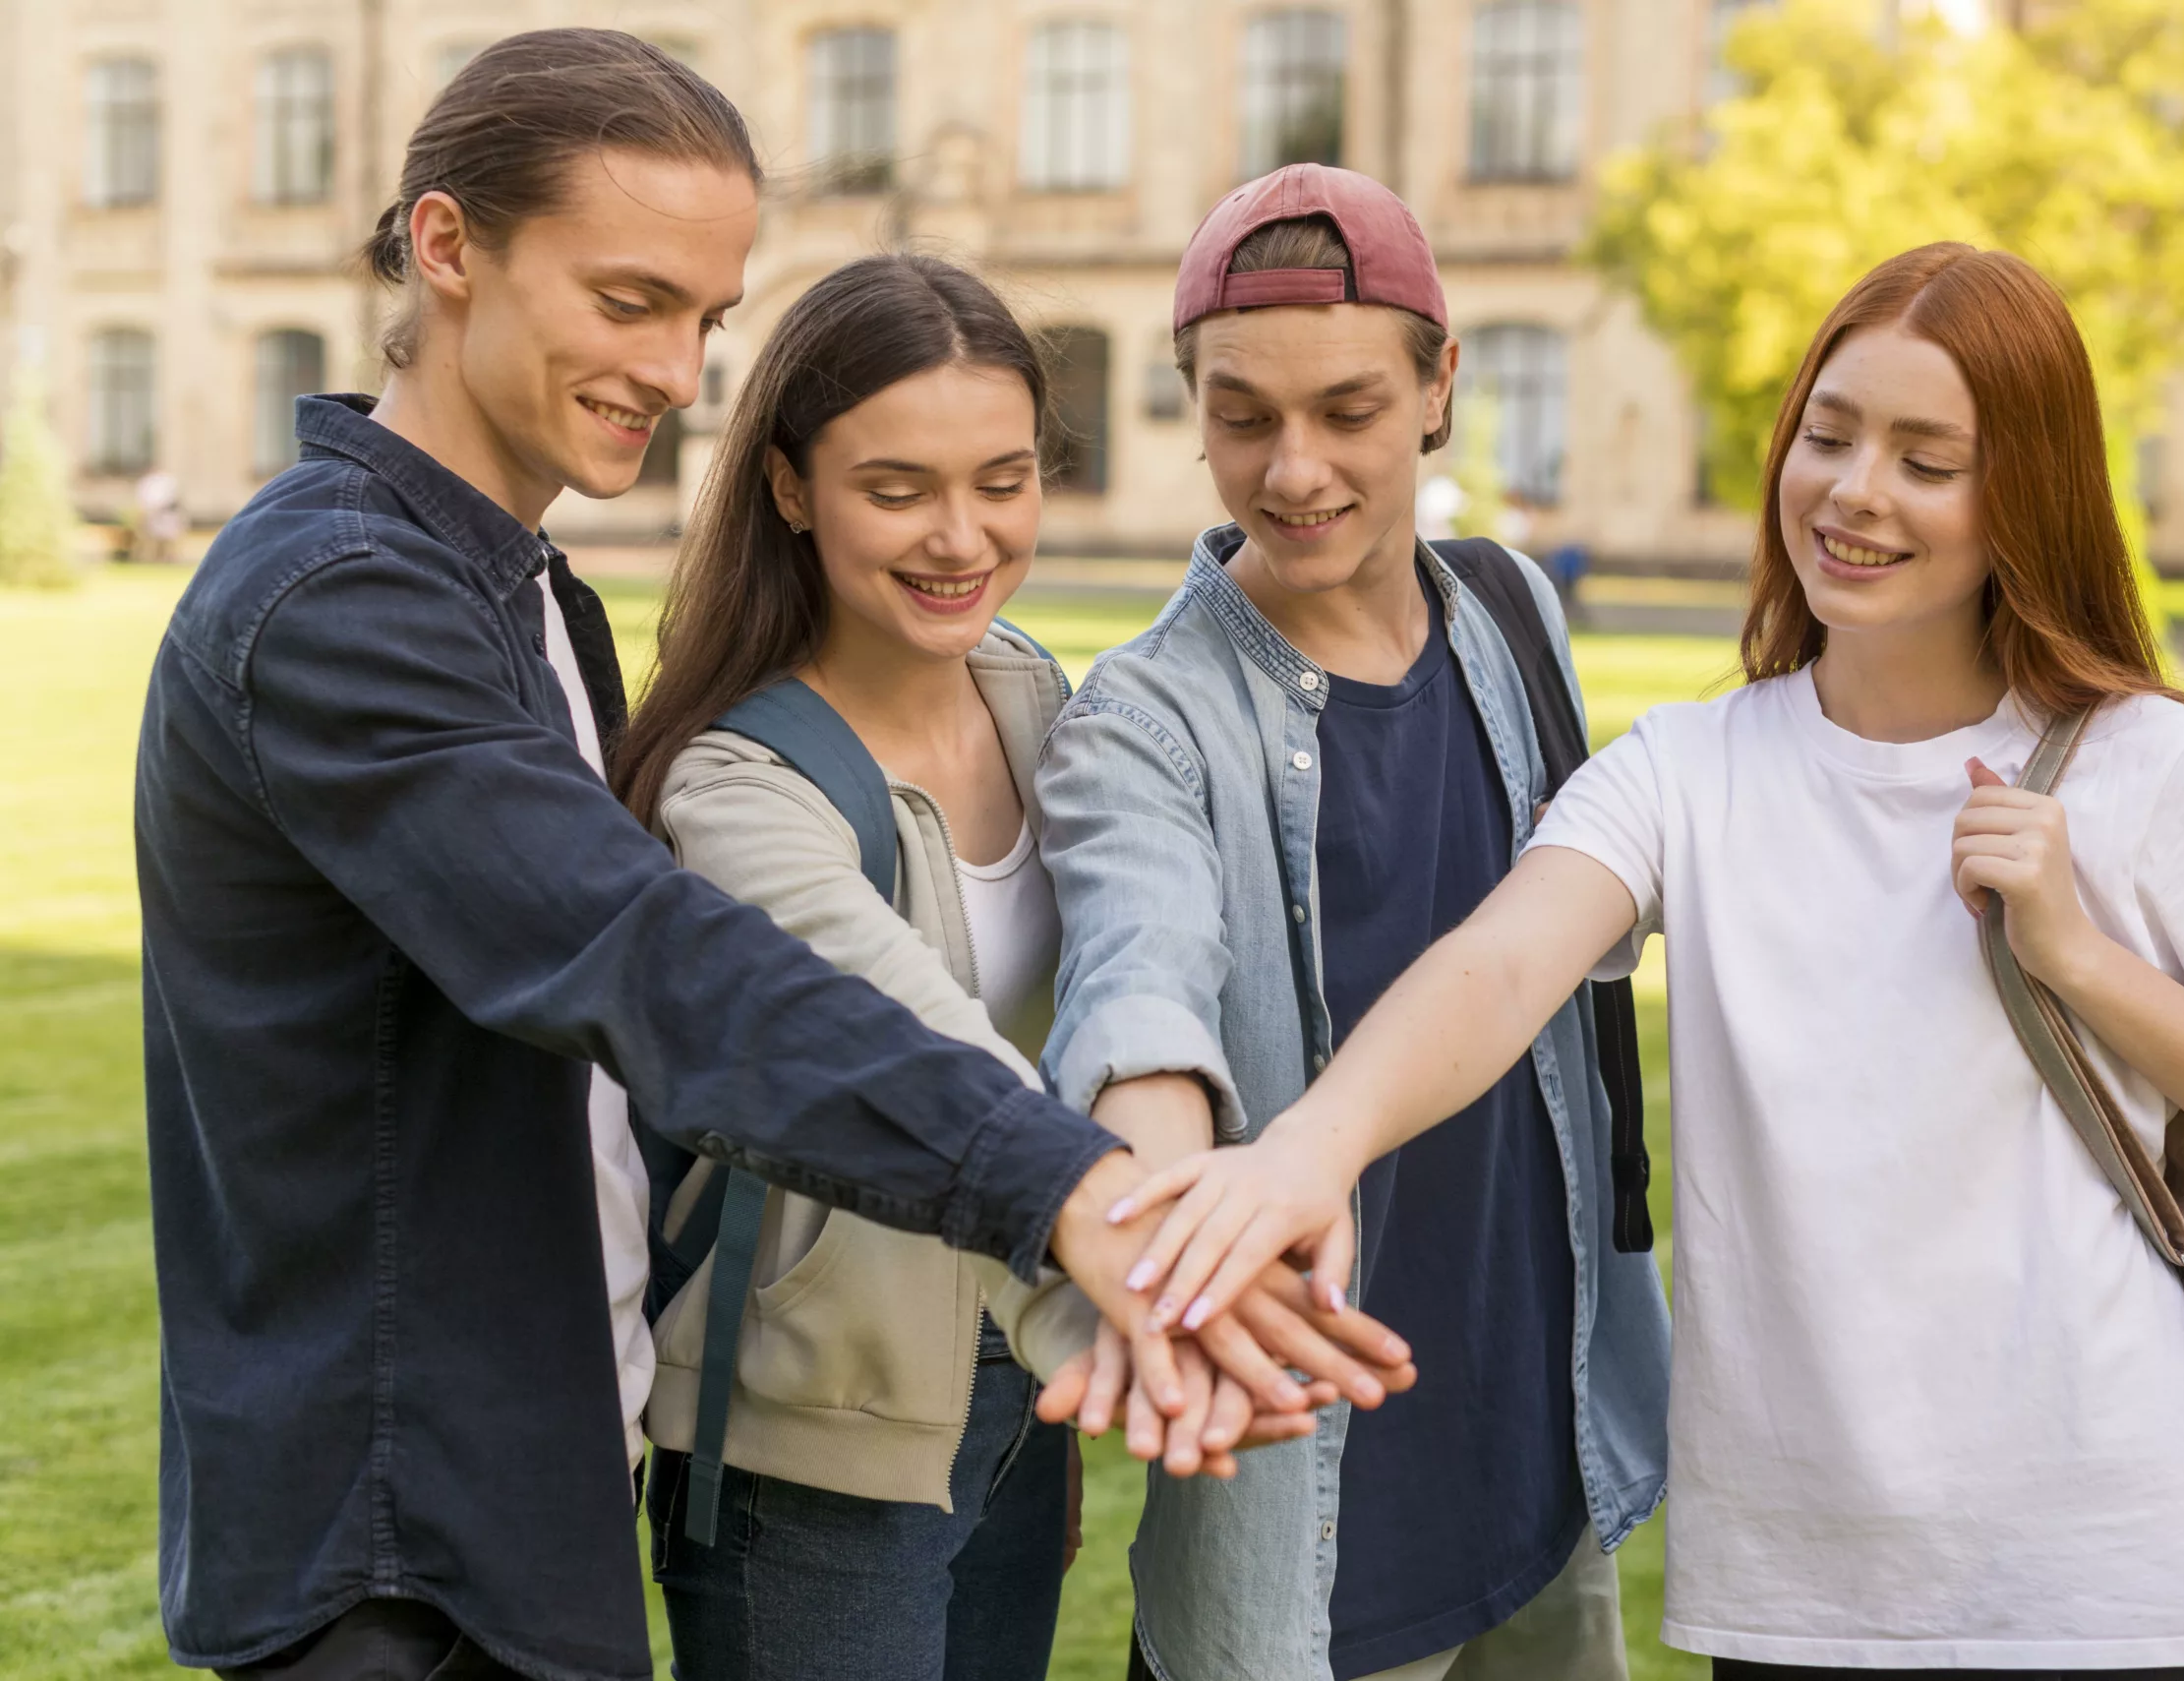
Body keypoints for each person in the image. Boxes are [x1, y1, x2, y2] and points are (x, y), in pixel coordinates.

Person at [134, 34, 1401, 1681]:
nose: (677, 370)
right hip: (391, 1547)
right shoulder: (339, 607)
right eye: (629, 299)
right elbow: (649, 962)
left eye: (708, 318)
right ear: (446, 248)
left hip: (525, 1490)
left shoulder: (514, 588)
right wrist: (1066, 1194)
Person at [1111, 244, 2184, 1678]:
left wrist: (2084, 963)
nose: (1857, 492)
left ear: (2025, 494)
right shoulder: (1691, 767)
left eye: (1931, 461)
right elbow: (1494, 970)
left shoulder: (2150, 764)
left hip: (2120, 1576)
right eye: (1832, 434)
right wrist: (1312, 1149)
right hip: (1801, 1593)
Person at [606, 253, 1370, 1681]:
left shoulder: (1031, 692)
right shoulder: (737, 789)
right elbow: (934, 1051)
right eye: (896, 490)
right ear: (789, 487)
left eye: (1003, 481)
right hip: (819, 1442)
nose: (961, 536)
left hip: (1023, 1382)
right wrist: (1144, 1304)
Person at [1032, 163, 1671, 1681]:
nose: (1293, 468)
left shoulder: (1515, 609)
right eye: (1241, 414)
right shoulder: (1143, 720)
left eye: (1348, 411)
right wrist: (1176, 1218)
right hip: (1314, 1488)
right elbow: (1140, 981)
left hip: (1538, 1427)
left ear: (1440, 389)